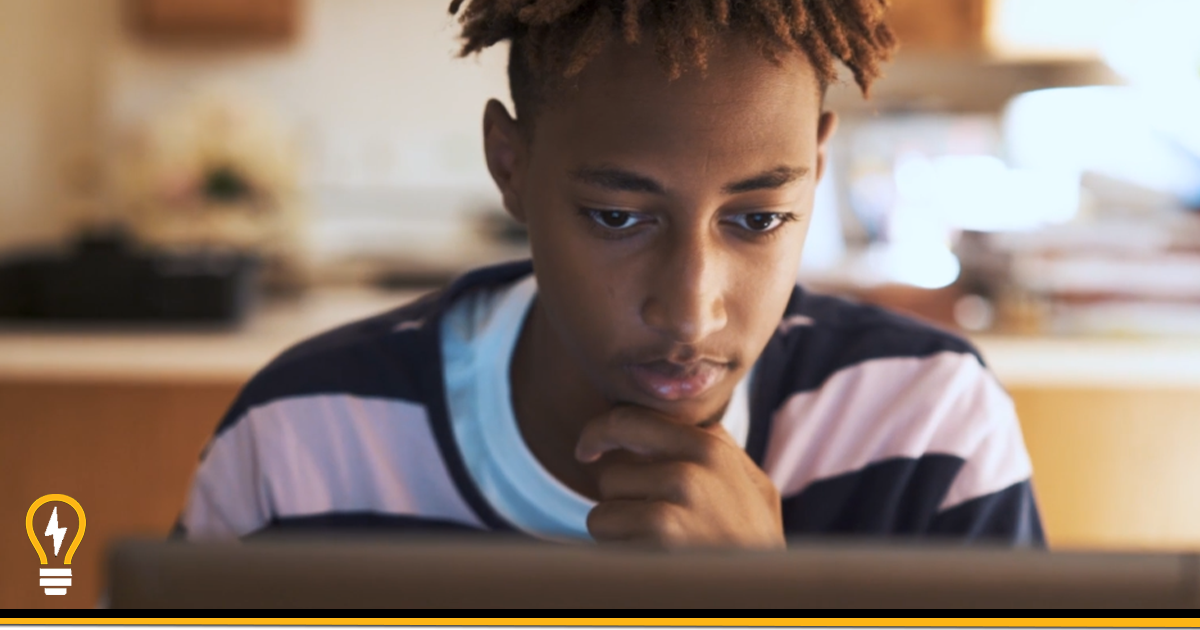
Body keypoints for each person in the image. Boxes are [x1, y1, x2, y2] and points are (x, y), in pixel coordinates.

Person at [176, 0, 1043, 548]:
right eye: (618, 217)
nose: (691, 312)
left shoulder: (925, 427)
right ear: (509, 166)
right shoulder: (305, 439)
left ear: (816, 168)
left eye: (760, 220)